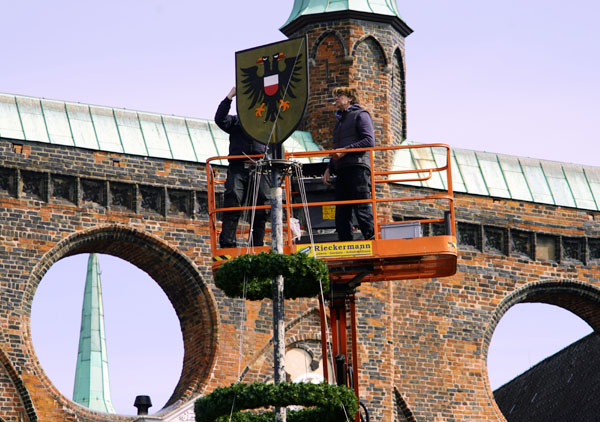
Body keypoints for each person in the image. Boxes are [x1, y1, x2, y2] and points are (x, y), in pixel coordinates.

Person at [215, 86, 270, 248]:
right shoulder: (236, 121)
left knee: (260, 209)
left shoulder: (266, 121)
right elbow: (220, 119)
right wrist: (229, 97)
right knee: (233, 203)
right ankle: (227, 242)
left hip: (260, 168)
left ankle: (256, 244)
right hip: (239, 167)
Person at [322, 87, 375, 241]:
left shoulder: (361, 115)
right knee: (341, 213)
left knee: (362, 208)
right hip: (341, 169)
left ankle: (371, 239)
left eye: (340, 95)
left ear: (350, 98)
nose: (336, 99)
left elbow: (369, 141)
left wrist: (345, 150)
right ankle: (345, 244)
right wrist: (329, 168)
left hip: (357, 167)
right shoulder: (339, 123)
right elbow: (336, 149)